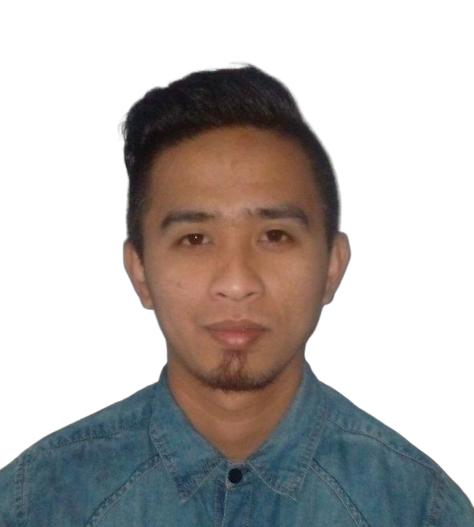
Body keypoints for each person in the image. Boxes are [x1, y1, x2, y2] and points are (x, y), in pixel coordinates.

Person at [0, 61, 472, 526]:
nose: (237, 283)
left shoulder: (421, 508)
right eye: (195, 239)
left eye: (275, 235)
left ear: (332, 266)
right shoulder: (34, 501)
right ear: (139, 272)